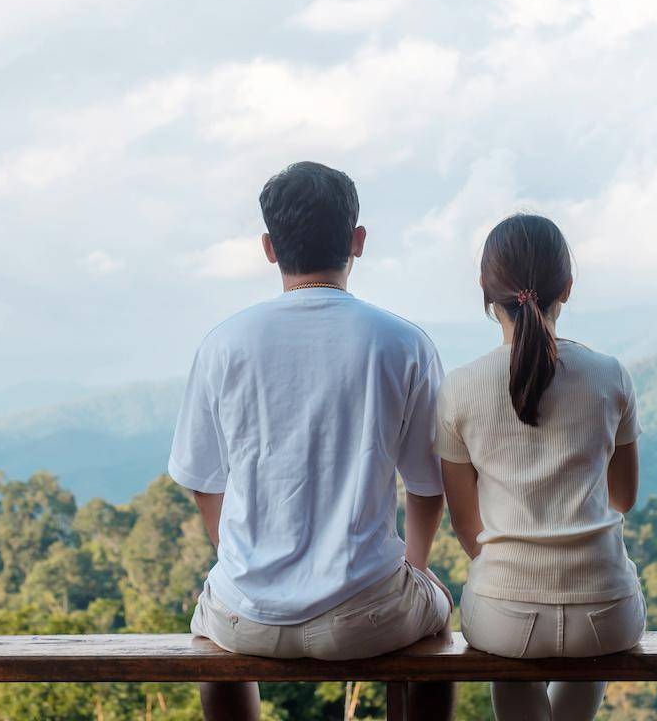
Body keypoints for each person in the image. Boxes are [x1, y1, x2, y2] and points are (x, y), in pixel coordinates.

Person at [168, 161, 455, 721]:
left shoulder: (224, 343)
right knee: (438, 619)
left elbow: (204, 484)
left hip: (246, 612)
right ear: (358, 241)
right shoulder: (402, 343)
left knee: (212, 643)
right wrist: (415, 568)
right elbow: (428, 483)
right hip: (367, 612)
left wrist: (243, 563)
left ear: (269, 248)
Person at [439, 214, 646, 721]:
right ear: (567, 289)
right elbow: (623, 498)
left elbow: (466, 523)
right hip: (606, 610)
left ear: (487, 295)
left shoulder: (460, 388)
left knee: (509, 649)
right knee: (590, 648)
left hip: (503, 610)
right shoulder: (609, 376)